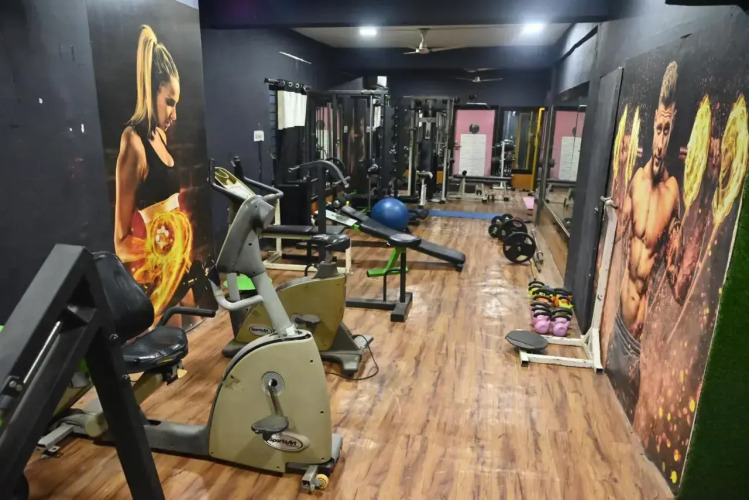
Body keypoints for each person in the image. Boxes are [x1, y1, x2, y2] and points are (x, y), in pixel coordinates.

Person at [608, 62, 683, 415]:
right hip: (616, 323)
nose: (661, 141)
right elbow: (619, 232)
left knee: (620, 422)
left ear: (674, 133)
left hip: (635, 338)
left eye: (668, 132)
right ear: (652, 125)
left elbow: (677, 284)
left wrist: (679, 253)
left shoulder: (673, 195)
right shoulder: (637, 181)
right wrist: (621, 165)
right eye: (658, 129)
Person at [114, 25, 192, 315]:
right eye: (169, 102)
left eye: (176, 104)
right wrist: (160, 252)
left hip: (176, 270)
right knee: (165, 336)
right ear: (151, 90)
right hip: (156, 278)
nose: (174, 114)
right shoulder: (133, 143)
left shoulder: (160, 136)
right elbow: (120, 243)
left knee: (182, 336)